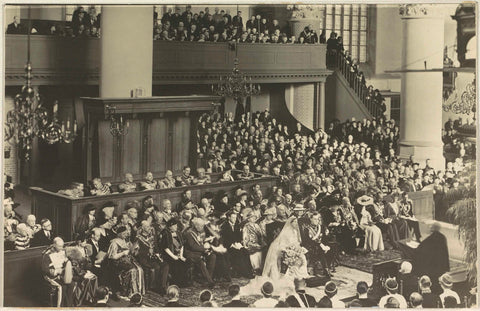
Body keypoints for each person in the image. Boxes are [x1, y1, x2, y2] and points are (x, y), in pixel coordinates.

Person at [107, 226, 145, 298]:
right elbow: (112, 257)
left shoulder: (126, 241)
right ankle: (129, 292)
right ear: (119, 234)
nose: (126, 234)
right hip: (117, 262)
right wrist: (123, 253)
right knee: (132, 270)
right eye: (124, 233)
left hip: (127, 260)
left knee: (139, 269)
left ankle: (138, 291)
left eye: (126, 233)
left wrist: (135, 249)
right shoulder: (114, 242)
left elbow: (131, 253)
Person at [413, 222, 449, 292]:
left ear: (433, 229)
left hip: (432, 266)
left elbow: (421, 248)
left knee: (433, 281)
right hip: (441, 265)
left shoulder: (431, 239)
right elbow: (445, 252)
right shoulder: (442, 237)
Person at [183, 217, 216, 287]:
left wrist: (207, 243)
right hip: (191, 253)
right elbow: (193, 246)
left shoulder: (198, 231)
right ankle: (210, 281)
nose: (202, 227)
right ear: (196, 225)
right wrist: (204, 248)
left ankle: (207, 279)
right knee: (199, 261)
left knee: (213, 256)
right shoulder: (189, 233)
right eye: (201, 226)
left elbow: (200, 242)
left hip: (199, 251)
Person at [41, 237, 74, 307]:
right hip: (50, 276)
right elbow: (44, 269)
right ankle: (59, 307)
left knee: (71, 284)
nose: (61, 248)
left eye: (62, 246)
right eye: (59, 246)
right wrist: (56, 271)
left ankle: (68, 305)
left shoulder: (62, 251)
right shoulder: (47, 254)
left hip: (61, 274)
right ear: (54, 245)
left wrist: (67, 262)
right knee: (62, 287)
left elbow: (64, 263)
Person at [159, 218, 188, 294]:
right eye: (174, 226)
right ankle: (171, 286)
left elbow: (181, 245)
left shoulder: (178, 233)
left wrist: (181, 256)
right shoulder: (165, 233)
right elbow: (165, 248)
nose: (176, 227)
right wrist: (174, 257)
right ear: (170, 226)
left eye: (176, 226)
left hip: (178, 255)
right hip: (167, 255)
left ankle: (179, 284)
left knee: (184, 262)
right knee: (176, 264)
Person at [135, 220, 162, 292]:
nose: (149, 228)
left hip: (152, 258)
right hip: (143, 258)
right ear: (142, 228)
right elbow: (137, 252)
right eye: (147, 227)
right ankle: (148, 287)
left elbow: (156, 247)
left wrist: (157, 253)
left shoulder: (152, 236)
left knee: (158, 266)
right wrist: (147, 252)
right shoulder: (138, 238)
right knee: (150, 268)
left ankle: (154, 286)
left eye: (149, 226)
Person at [242, 209, 265, 274]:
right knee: (253, 257)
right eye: (251, 218)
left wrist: (261, 240)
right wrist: (246, 243)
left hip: (258, 242)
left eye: (254, 217)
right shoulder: (246, 226)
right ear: (249, 219)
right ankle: (254, 269)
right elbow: (245, 235)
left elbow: (260, 234)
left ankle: (259, 269)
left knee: (259, 256)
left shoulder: (256, 225)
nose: (253, 219)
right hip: (251, 243)